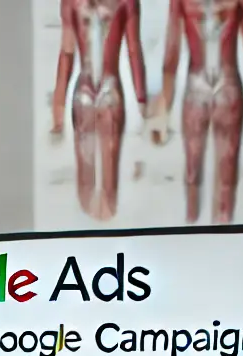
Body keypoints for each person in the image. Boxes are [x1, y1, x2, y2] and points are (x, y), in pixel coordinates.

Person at [147, 0, 243, 224]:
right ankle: (219, 235)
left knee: (192, 173)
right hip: (227, 83)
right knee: (226, 177)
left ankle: (192, 229)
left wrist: (163, 110)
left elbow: (172, 50)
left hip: (197, 84)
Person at [49, 0, 147, 221]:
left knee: (86, 177)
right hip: (110, 90)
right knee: (109, 179)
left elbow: (67, 53)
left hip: (83, 91)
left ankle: (90, 236)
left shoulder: (72, 3)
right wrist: (142, 101)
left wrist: (58, 109)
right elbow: (133, 49)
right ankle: (104, 233)